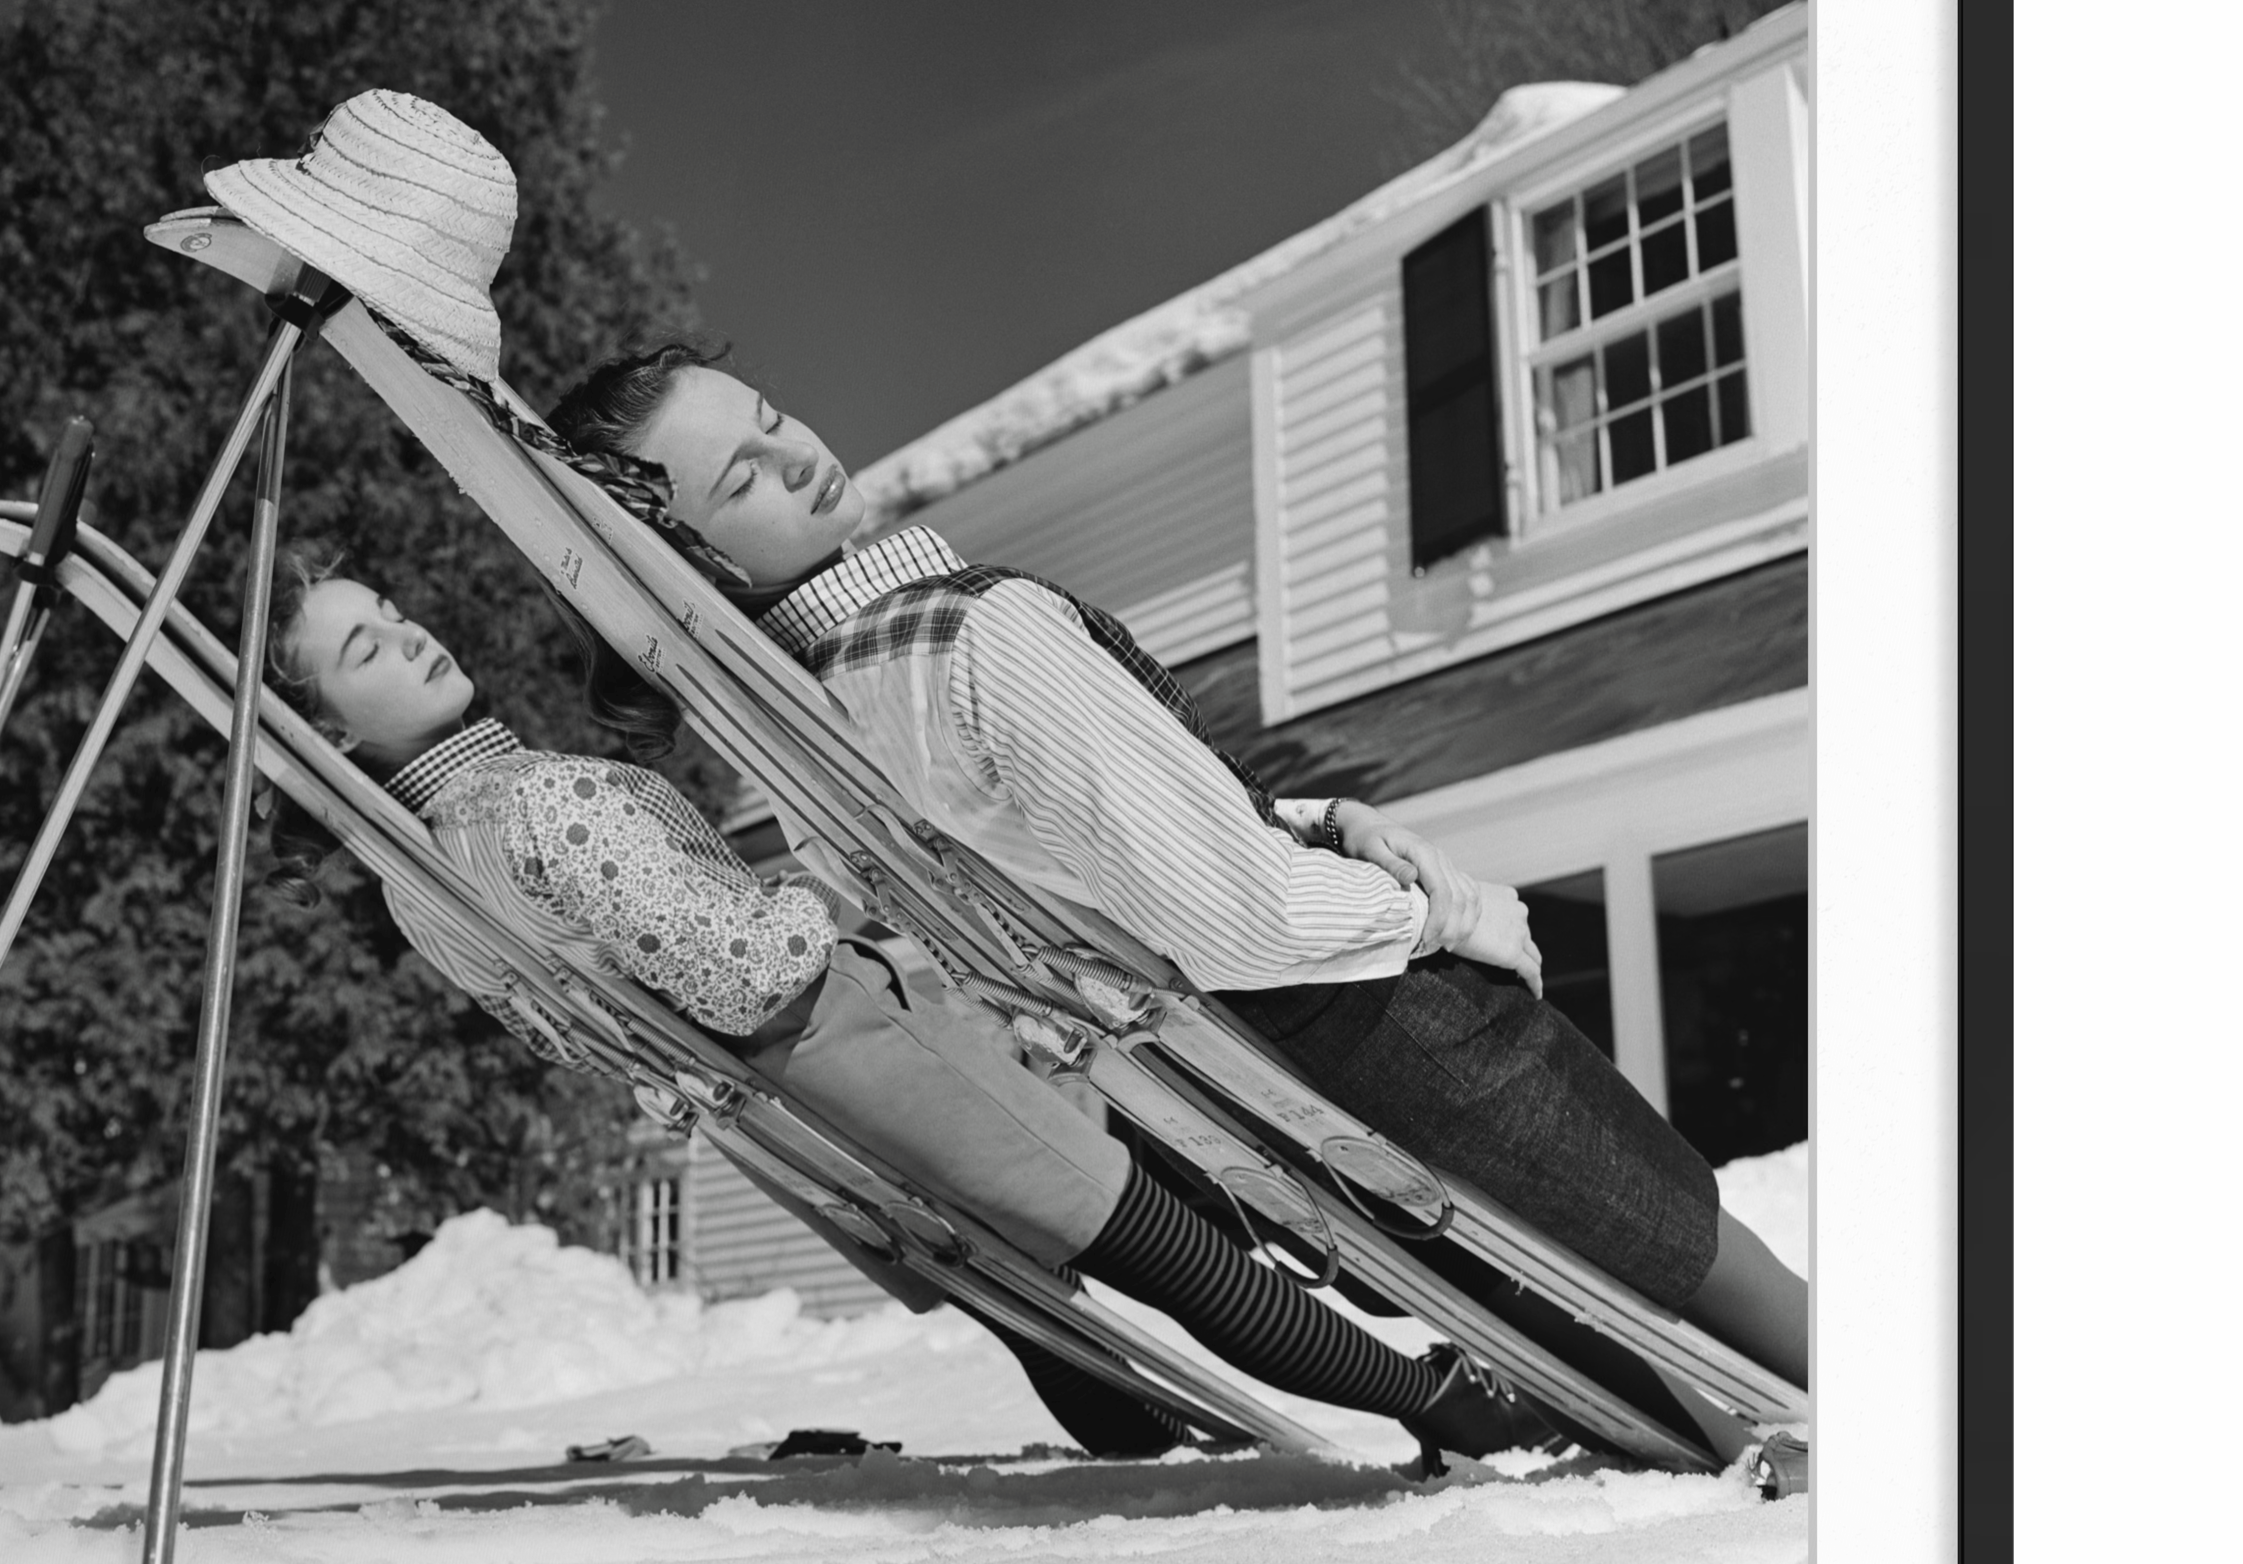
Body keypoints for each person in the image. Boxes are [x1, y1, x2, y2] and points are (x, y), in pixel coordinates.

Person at [537, 343, 1809, 1403]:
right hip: (1359, 1016)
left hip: (1234, 1081)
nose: (799, 455)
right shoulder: (974, 635)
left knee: (1602, 1343)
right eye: (742, 476)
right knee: (1689, 1254)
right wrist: (1442, 914)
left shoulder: (816, 722)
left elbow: (1079, 856)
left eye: (771, 418)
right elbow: (1237, 914)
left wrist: (1314, 813)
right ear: (692, 560)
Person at [258, 566, 1552, 1471]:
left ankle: (1137, 1430)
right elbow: (744, 971)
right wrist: (836, 904)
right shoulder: (540, 802)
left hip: (765, 1113)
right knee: (1149, 1235)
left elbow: (566, 1027)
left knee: (1022, 1264)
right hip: (835, 1038)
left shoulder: (423, 880)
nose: (413, 635)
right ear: (328, 729)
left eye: (393, 613)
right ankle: (1441, 1404)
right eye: (365, 649)